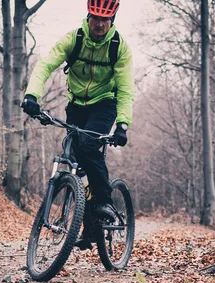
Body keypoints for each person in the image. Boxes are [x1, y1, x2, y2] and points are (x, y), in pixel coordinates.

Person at [21, 0, 135, 248]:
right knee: (74, 157)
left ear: (112, 20)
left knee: (88, 146)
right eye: (96, 17)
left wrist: (123, 125)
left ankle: (104, 201)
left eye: (105, 19)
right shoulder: (74, 39)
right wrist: (32, 96)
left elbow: (125, 89)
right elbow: (46, 64)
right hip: (76, 105)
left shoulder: (119, 47)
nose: (99, 23)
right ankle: (89, 225)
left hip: (105, 104)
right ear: (89, 16)